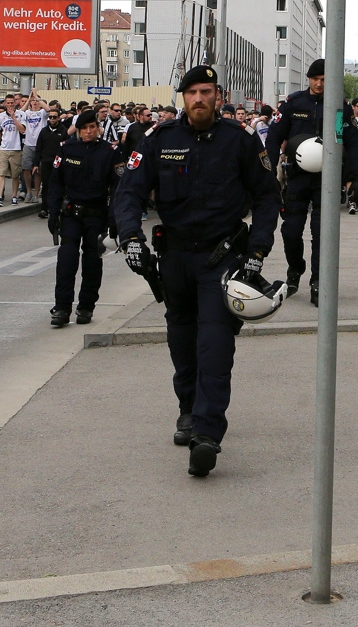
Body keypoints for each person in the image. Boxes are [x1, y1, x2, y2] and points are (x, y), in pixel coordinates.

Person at [114, 65, 281, 479]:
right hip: (173, 260)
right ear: (183, 98)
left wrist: (258, 250)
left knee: (215, 345)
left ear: (218, 96)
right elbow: (129, 192)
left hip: (220, 260)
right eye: (192, 92)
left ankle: (207, 434)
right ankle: (188, 410)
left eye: (207, 91)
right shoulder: (160, 139)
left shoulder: (239, 141)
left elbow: (266, 196)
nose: (199, 99)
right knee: (181, 342)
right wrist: (131, 238)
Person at [266, 58, 358, 305]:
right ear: (308, 79)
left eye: (324, 80)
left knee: (322, 234)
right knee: (290, 231)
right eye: (315, 79)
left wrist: (355, 178)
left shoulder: (339, 108)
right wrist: (268, 173)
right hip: (297, 177)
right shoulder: (293, 103)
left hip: (326, 180)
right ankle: (295, 268)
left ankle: (319, 281)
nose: (319, 84)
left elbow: (350, 142)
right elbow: (275, 136)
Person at [48, 110, 125, 328]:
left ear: (98, 128)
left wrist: (114, 218)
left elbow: (118, 186)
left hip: (97, 215)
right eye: (84, 128)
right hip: (72, 214)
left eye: (92, 127)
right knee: (66, 261)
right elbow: (55, 183)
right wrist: (53, 212)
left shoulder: (111, 152)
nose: (89, 132)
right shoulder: (66, 149)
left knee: (92, 263)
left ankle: (86, 306)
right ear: (78, 131)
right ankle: (62, 308)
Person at [33, 107, 68, 218]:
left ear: (58, 118)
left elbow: (66, 148)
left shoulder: (63, 131)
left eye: (54, 117)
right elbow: (38, 148)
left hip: (59, 163)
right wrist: (35, 164)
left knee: (58, 185)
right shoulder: (44, 131)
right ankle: (44, 208)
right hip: (46, 162)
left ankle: (58, 208)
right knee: (46, 185)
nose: (52, 119)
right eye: (50, 117)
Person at [0, 94, 26, 206]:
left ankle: (14, 196)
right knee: (1, 174)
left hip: (16, 148)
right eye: (8, 102)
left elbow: (22, 130)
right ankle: (0, 196)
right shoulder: (1, 116)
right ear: (5, 103)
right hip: (4, 148)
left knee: (15, 175)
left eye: (12, 102)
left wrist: (13, 117)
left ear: (15, 103)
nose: (10, 104)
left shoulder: (21, 114)